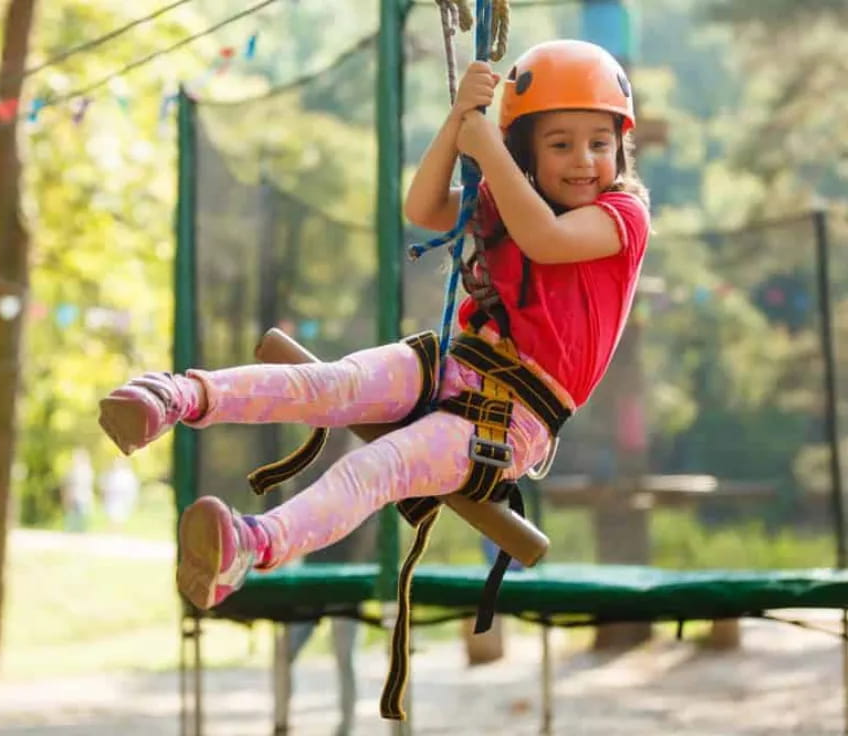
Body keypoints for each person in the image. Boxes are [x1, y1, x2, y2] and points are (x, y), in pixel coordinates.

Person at [98, 36, 649, 669]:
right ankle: (179, 396)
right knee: (333, 383)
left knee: (377, 467)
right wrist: (457, 125)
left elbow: (546, 239)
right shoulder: (504, 194)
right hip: (455, 362)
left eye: (599, 144)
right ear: (529, 148)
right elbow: (424, 207)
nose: (583, 161)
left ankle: (252, 544)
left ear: (619, 149)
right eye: (560, 144)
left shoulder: (623, 213)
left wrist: (488, 146)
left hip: (512, 419)